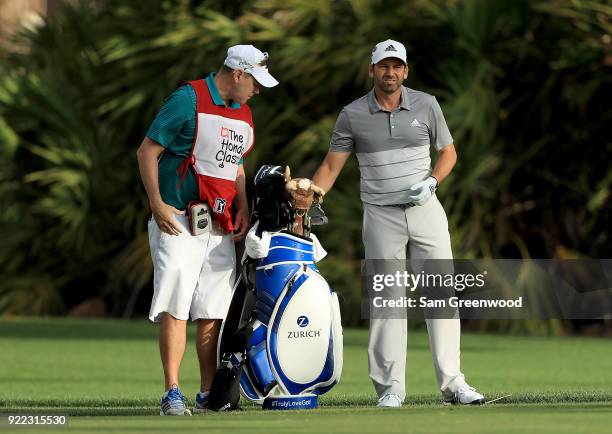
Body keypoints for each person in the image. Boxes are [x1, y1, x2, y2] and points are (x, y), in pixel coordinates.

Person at [312, 39, 485, 407]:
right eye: (383, 66)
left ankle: (454, 385)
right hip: (380, 214)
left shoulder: (426, 104)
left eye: (397, 66)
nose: (390, 72)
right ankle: (390, 389)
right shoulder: (353, 114)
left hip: (426, 210)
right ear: (372, 70)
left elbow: (448, 152)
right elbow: (330, 166)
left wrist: (433, 181)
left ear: (405, 71)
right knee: (386, 299)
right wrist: (309, 199)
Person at [136, 44, 278, 416]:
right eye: (255, 82)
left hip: (219, 226)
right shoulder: (188, 98)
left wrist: (243, 206)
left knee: (213, 310)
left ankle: (206, 393)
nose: (258, 90)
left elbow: (237, 167)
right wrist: (156, 202)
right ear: (238, 74)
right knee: (176, 305)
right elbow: (147, 152)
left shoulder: (244, 113)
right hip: (178, 220)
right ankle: (172, 392)